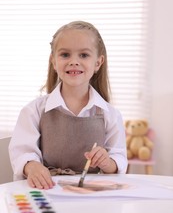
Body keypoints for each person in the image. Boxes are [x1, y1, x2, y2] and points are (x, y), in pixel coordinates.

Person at [9, 21, 127, 190]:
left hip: (90, 195)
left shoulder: (111, 114)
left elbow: (119, 158)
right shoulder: (34, 111)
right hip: (47, 190)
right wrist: (31, 166)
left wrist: (108, 162)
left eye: (84, 55)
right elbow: (22, 152)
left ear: (98, 63)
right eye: (65, 55)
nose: (74, 61)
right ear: (54, 61)